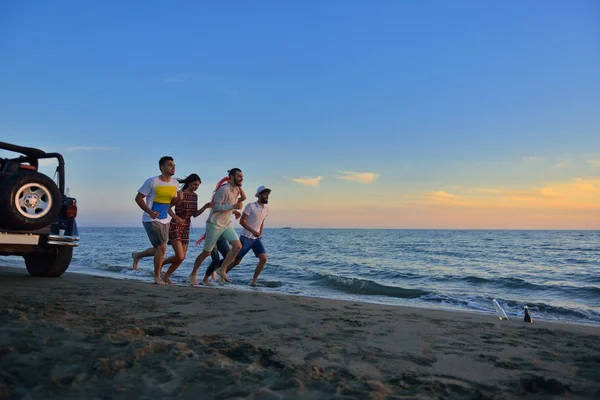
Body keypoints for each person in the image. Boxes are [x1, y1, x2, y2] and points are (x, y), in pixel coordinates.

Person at [189, 168, 245, 286]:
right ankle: (193, 273)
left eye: (242, 176)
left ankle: (221, 269)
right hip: (214, 224)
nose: (241, 178)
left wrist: (234, 210)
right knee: (206, 253)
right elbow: (215, 207)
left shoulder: (236, 190)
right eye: (239, 176)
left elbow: (229, 205)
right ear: (231, 177)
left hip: (226, 224)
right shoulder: (223, 189)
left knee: (237, 247)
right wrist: (233, 206)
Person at [131, 156, 179, 285]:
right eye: (169, 165)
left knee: (159, 249)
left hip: (165, 219)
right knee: (162, 247)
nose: (173, 167)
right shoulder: (152, 181)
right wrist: (150, 212)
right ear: (162, 167)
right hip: (150, 219)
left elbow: (171, 203)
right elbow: (138, 198)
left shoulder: (175, 183)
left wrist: (178, 200)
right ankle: (157, 277)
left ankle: (138, 255)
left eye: (174, 165)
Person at [160, 173, 212, 285]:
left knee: (181, 258)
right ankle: (162, 265)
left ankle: (165, 275)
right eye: (194, 184)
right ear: (189, 183)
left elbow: (195, 214)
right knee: (180, 255)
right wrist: (176, 217)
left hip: (186, 228)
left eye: (198, 185)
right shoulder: (180, 194)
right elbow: (168, 209)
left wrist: (205, 207)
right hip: (175, 225)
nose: (196, 187)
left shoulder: (195, 196)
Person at [226, 185, 271, 286]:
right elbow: (242, 221)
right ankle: (223, 273)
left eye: (268, 194)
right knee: (236, 261)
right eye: (265, 193)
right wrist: (253, 231)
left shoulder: (266, 209)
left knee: (263, 258)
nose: (267, 195)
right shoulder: (250, 206)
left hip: (257, 239)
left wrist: (260, 233)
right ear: (259, 195)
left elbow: (261, 222)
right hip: (246, 238)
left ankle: (253, 281)